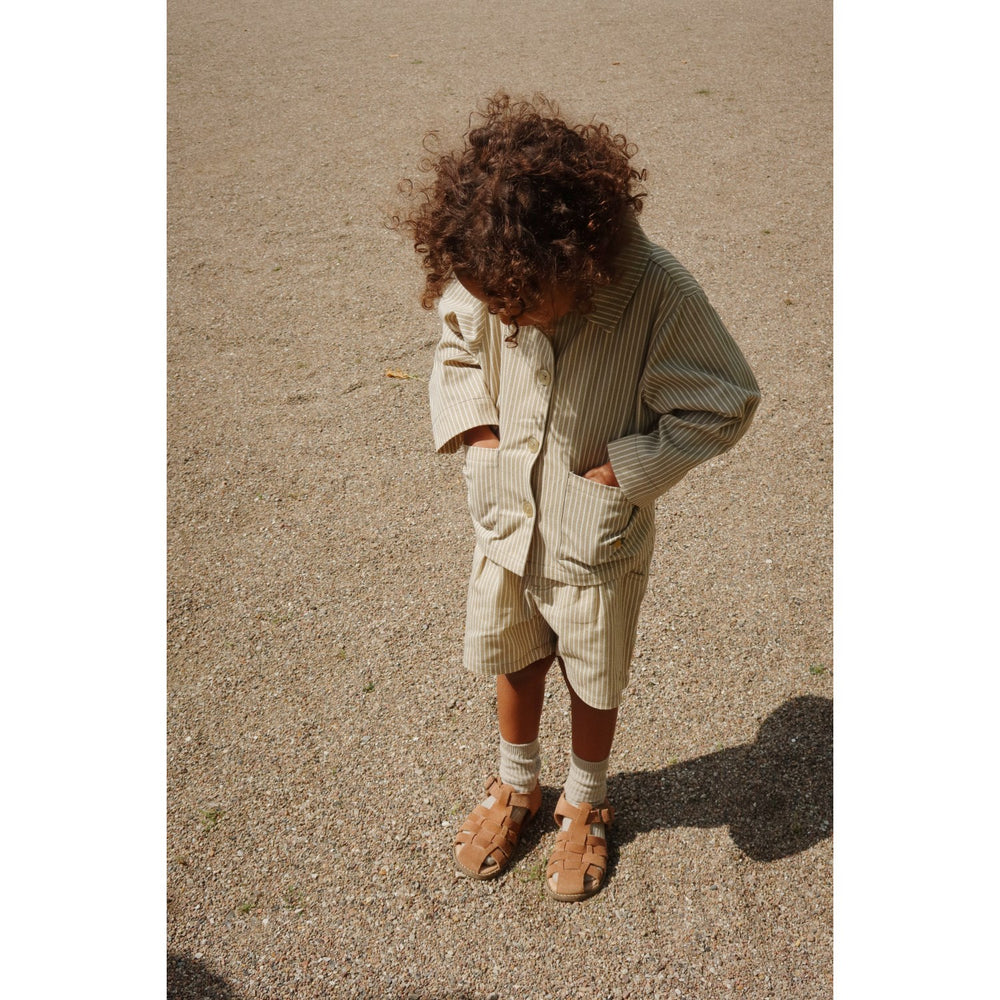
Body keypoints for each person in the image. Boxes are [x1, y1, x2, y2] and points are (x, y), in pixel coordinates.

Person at [397, 93, 760, 902]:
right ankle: (517, 782)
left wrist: (628, 471)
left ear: (571, 264)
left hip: (595, 537)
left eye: (518, 307)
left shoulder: (657, 293)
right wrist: (478, 436)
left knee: (592, 671)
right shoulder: (493, 264)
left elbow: (726, 399)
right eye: (495, 305)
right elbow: (456, 344)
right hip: (507, 518)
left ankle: (587, 798)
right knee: (514, 650)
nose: (504, 317)